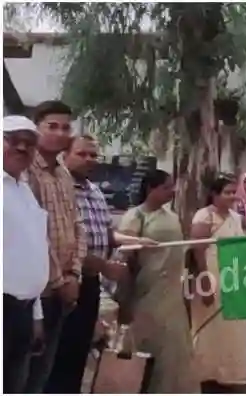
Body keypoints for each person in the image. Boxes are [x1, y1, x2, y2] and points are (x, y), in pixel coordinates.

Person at [45, 135, 154, 393]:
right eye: (82, 154)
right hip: (64, 282)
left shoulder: (95, 192)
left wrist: (137, 240)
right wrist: (105, 267)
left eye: (94, 155)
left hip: (91, 286)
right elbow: (64, 243)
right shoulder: (59, 190)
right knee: (56, 356)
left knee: (79, 352)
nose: (89, 160)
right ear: (65, 154)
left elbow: (106, 235)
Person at [23, 101, 87, 393]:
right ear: (35, 128)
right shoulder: (25, 173)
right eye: (52, 126)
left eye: (65, 127)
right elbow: (34, 234)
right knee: (22, 372)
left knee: (45, 372)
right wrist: (60, 280)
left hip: (65, 288)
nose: (60, 133)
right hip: (35, 293)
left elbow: (78, 226)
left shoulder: (63, 174)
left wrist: (74, 273)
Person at [118, 170, 199, 393]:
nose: (172, 191)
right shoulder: (135, 217)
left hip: (172, 294)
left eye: (173, 187)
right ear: (150, 189)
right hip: (146, 296)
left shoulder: (172, 216)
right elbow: (126, 262)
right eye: (166, 187)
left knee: (175, 350)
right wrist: (125, 302)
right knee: (149, 348)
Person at [189, 176, 246, 392]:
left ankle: (231, 374)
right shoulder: (204, 216)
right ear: (214, 195)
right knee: (209, 326)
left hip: (236, 279)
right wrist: (205, 281)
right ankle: (205, 374)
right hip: (212, 275)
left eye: (234, 192)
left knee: (234, 328)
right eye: (227, 192)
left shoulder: (238, 217)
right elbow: (198, 251)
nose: (232, 196)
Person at [3, 116, 50, 393]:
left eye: (29, 143)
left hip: (21, 312)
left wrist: (36, 316)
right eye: (13, 140)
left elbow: (32, 254)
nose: (22, 148)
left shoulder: (25, 192)